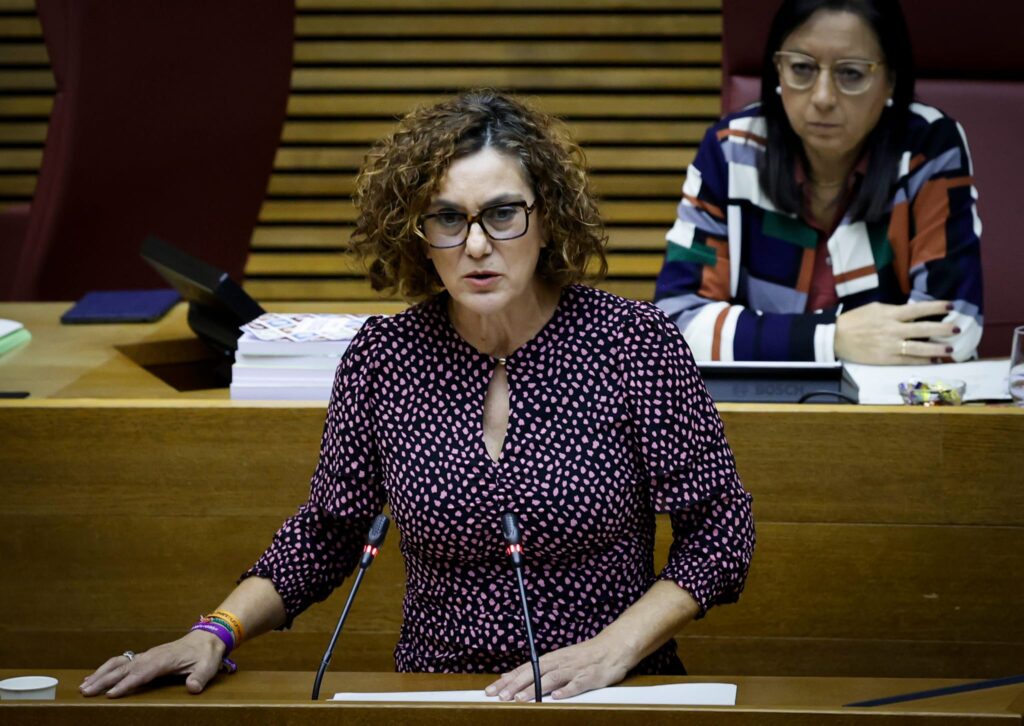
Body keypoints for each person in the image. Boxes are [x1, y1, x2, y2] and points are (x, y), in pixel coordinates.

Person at [79, 90, 754, 702]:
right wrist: (216, 631)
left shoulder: (633, 344)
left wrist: (614, 649)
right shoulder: (385, 359)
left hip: (608, 693)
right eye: (448, 219)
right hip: (439, 695)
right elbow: (328, 531)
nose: (477, 245)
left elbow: (721, 532)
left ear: (547, 219)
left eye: (503, 214)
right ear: (418, 235)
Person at [654, 0, 983, 364]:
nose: (823, 97)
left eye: (851, 73)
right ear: (777, 70)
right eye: (802, 68)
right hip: (763, 399)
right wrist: (830, 338)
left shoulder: (928, 148)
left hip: (895, 397)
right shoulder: (731, 150)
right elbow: (674, 323)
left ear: (891, 79)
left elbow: (953, 329)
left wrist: (762, 339)